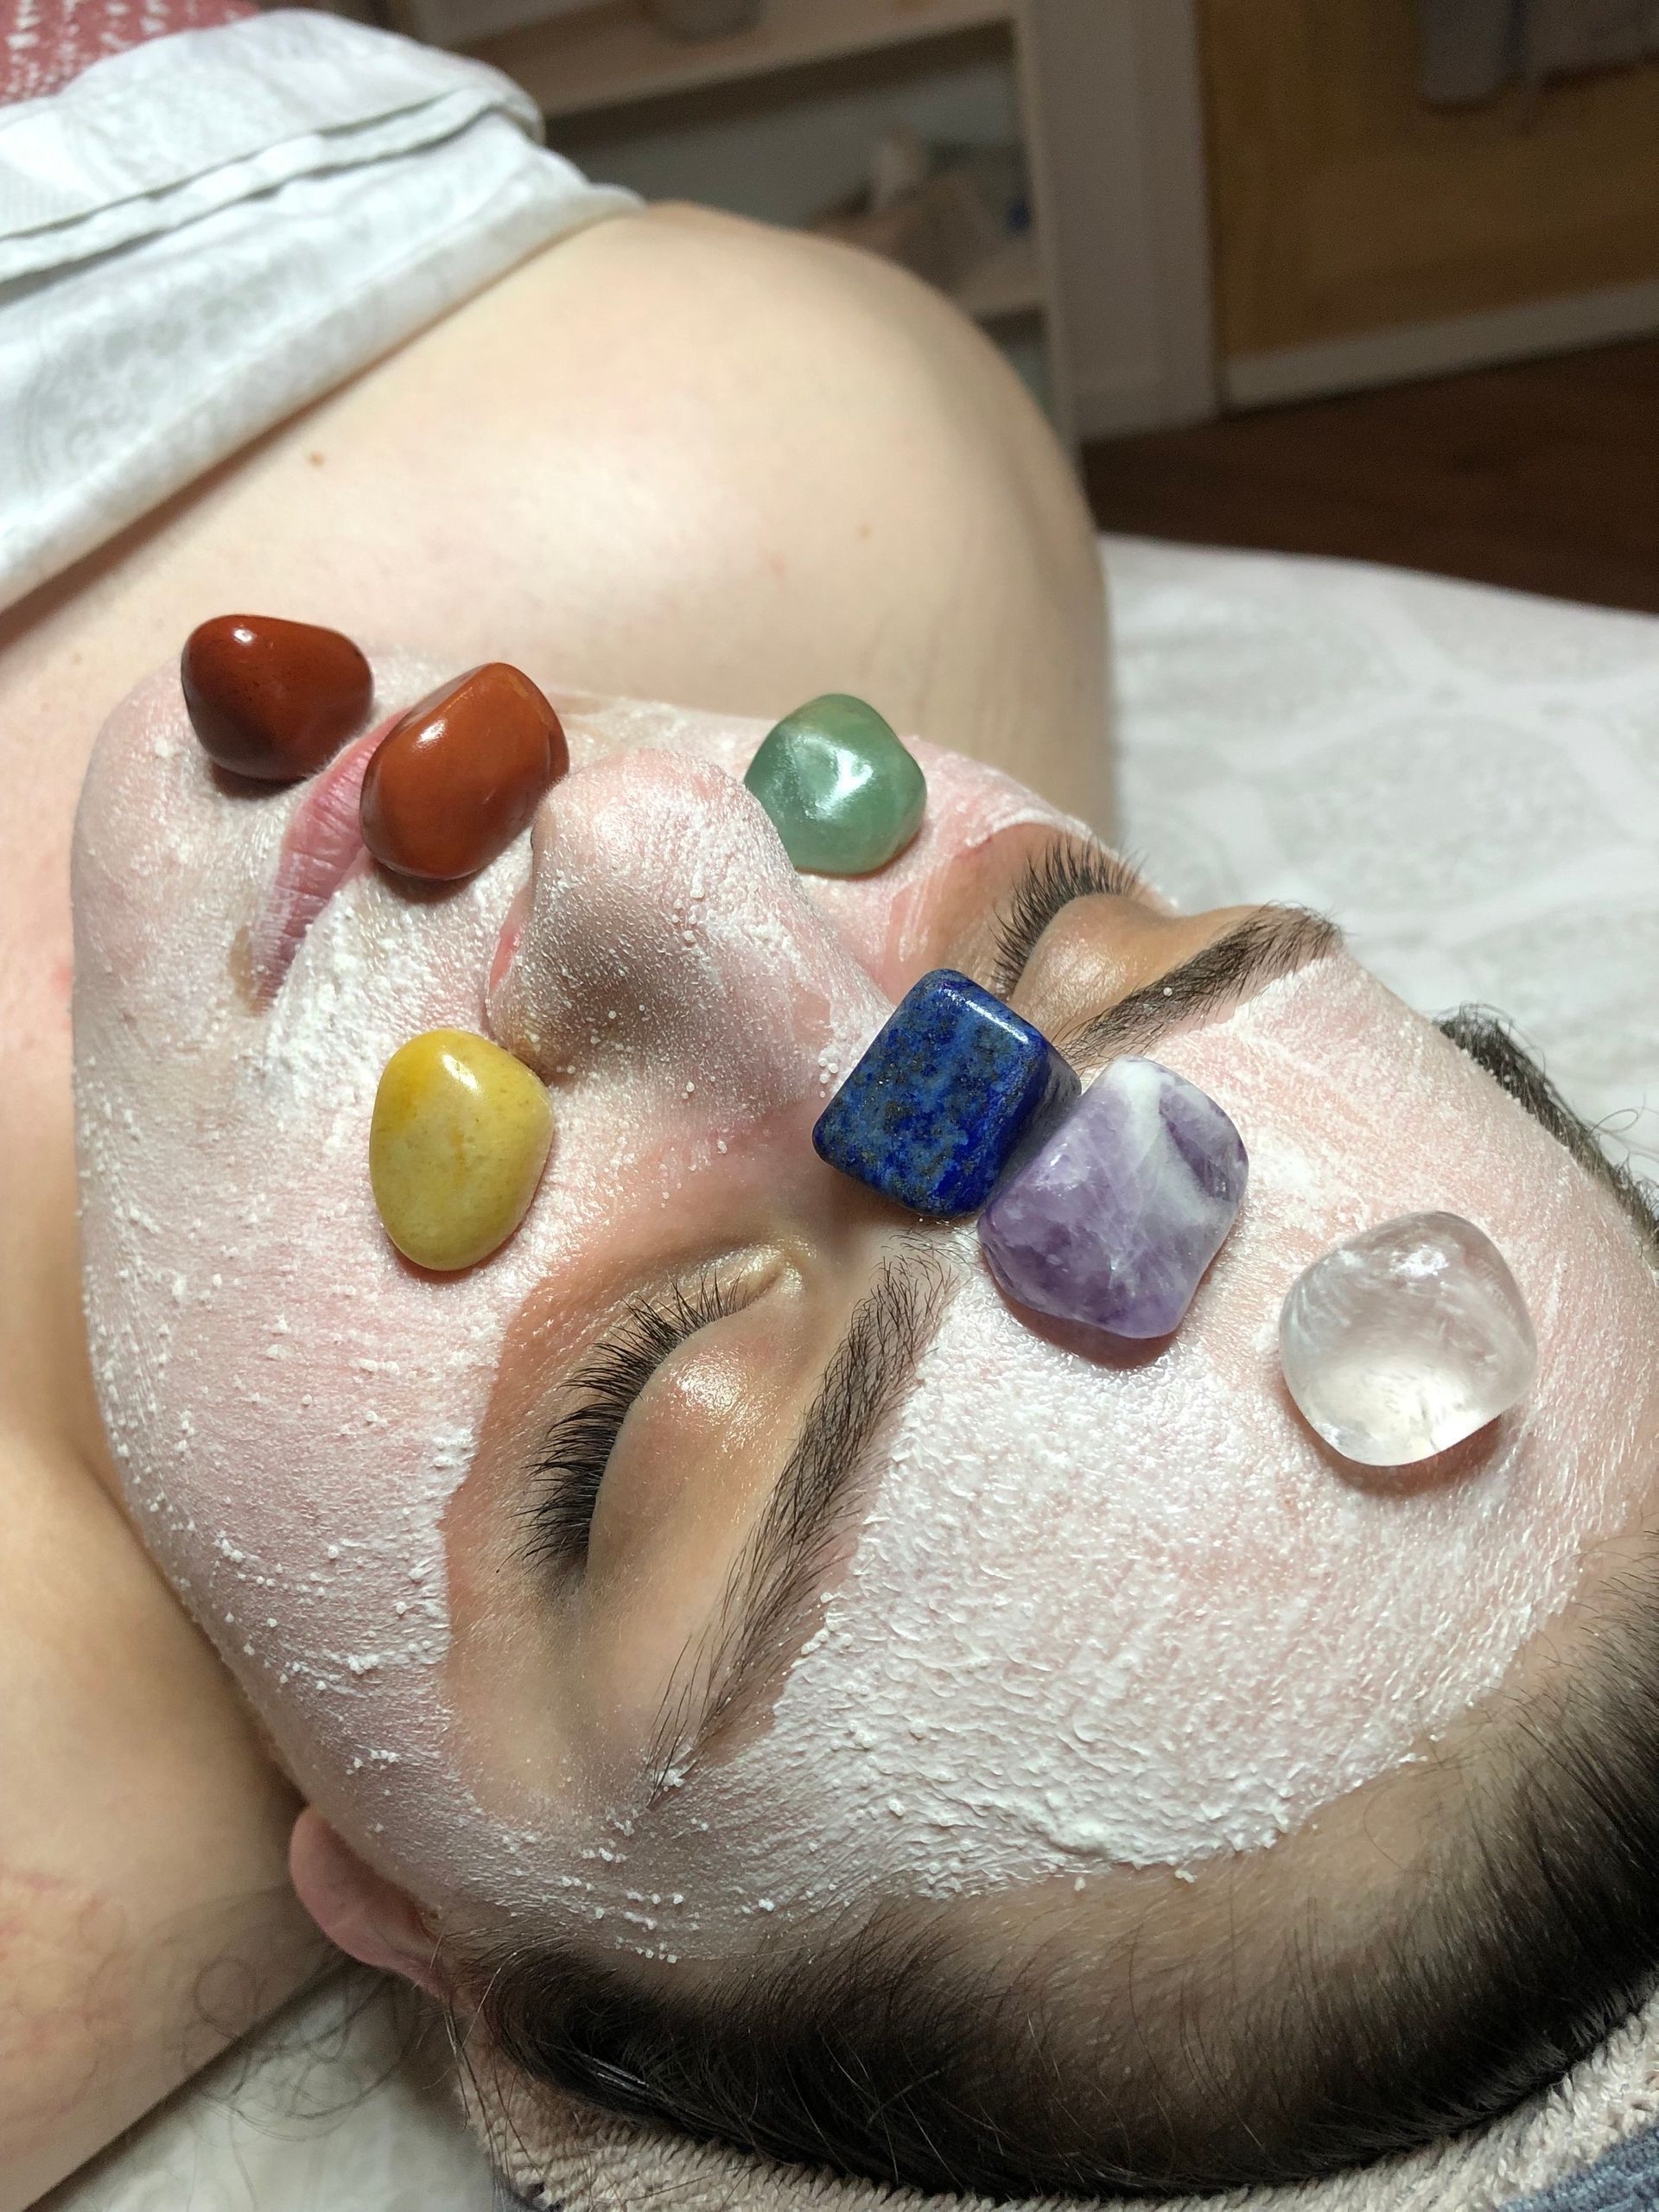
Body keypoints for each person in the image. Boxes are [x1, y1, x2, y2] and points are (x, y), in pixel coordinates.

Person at [7, 13, 1659, 2212]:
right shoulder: (807, 460)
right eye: (1070, 930)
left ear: (425, 1938)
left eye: (654, 1403)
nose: (645, 844)